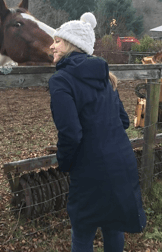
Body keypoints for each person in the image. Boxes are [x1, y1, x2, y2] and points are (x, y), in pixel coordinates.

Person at [48, 13, 146, 252]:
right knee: (113, 225)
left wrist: (66, 164)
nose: (51, 45)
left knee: (82, 231)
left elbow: (71, 134)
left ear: (72, 44)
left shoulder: (61, 80)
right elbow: (123, 120)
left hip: (90, 168)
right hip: (121, 162)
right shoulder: (105, 76)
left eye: (58, 40)